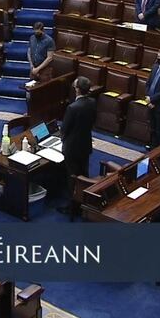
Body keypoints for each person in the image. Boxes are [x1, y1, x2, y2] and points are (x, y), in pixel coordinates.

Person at [58, 76, 96, 215]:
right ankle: (85, 201)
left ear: (78, 90)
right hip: (85, 144)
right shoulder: (93, 102)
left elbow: (64, 129)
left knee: (72, 177)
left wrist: (64, 140)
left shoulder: (72, 107)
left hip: (72, 147)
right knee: (84, 173)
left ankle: (72, 206)